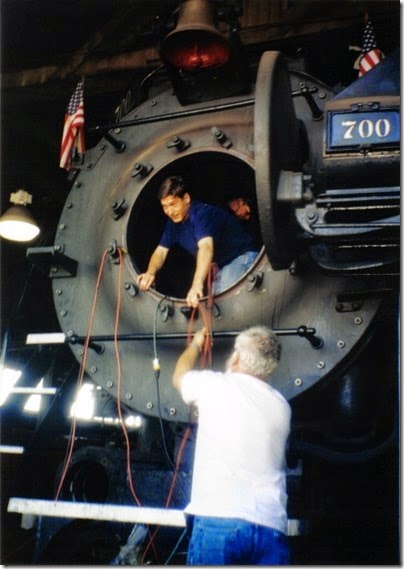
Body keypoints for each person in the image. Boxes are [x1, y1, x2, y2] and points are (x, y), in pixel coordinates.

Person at [172, 325, 292, 565]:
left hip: (220, 519)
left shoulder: (214, 385)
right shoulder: (282, 406)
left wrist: (196, 344)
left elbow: (179, 377)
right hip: (271, 525)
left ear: (236, 356)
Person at [137, 176, 259, 307]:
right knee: (214, 304)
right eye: (165, 206)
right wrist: (150, 273)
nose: (169, 211)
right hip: (223, 266)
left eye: (173, 204)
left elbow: (206, 247)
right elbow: (161, 252)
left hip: (245, 257)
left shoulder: (201, 214)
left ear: (186, 198)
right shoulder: (173, 224)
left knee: (222, 301)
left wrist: (196, 285)